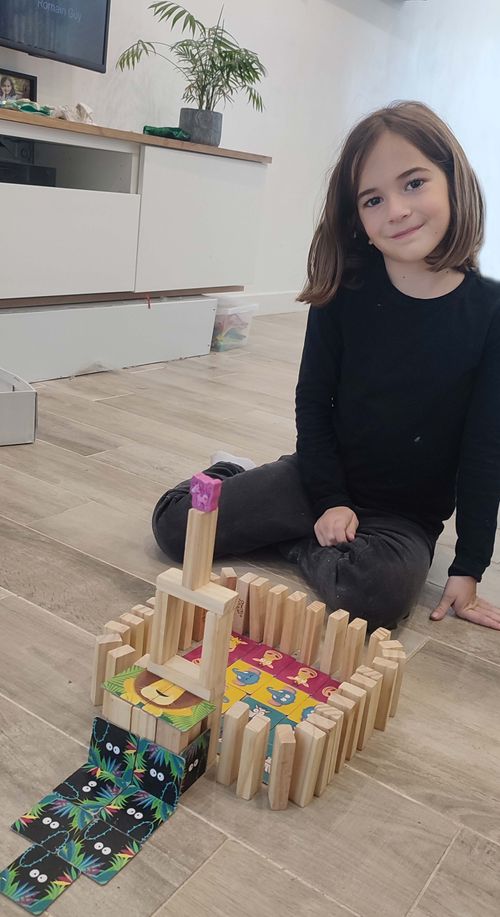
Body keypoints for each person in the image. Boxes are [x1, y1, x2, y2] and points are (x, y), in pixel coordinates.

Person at [152, 101, 500, 632]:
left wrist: (468, 566)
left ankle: (293, 537)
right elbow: (313, 402)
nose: (397, 211)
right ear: (357, 217)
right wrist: (330, 500)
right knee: (177, 528)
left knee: (374, 595)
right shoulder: (343, 294)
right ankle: (235, 475)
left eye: (413, 184)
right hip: (318, 479)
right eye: (373, 199)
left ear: (454, 181)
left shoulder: (491, 312)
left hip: (403, 518)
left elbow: (485, 448)